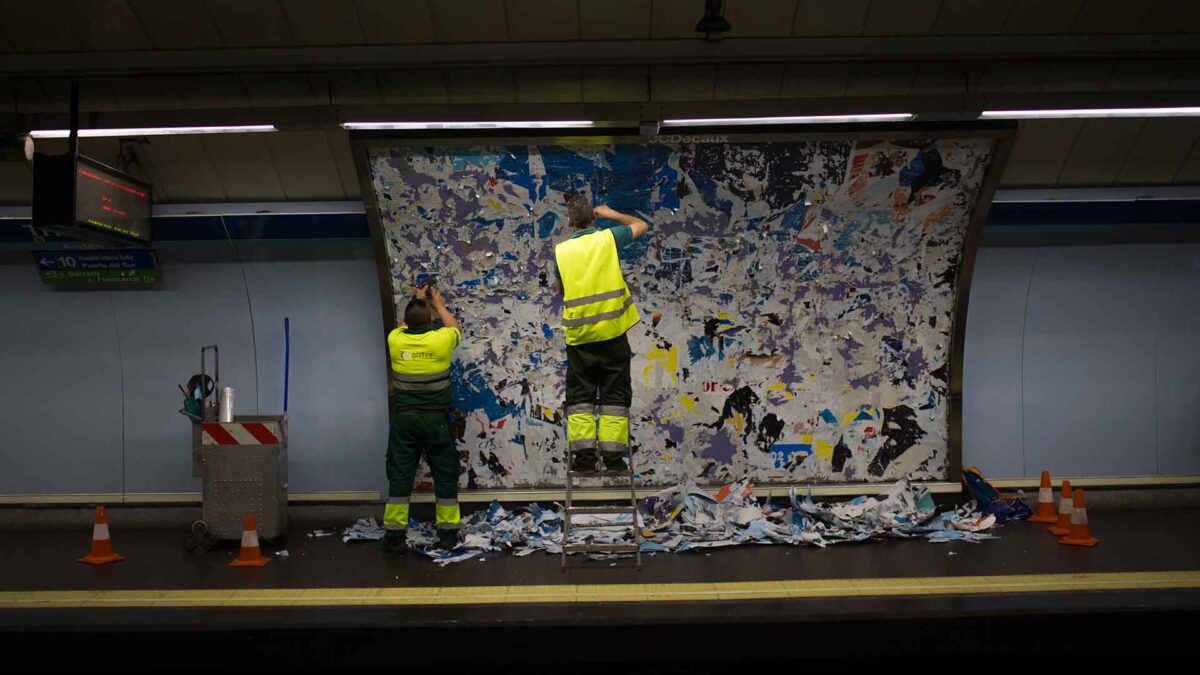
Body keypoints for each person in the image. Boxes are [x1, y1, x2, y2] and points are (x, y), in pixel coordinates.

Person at [553, 194, 650, 473]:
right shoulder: (609, 238)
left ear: (570, 221)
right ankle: (613, 460)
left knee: (580, 398)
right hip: (612, 336)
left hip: (580, 339)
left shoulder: (562, 252)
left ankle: (584, 461)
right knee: (614, 399)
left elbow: (561, 290)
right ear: (594, 217)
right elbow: (641, 225)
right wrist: (613, 213)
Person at [381, 283, 462, 553]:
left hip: (405, 420)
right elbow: (455, 328)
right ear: (430, 321)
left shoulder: (395, 339)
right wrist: (438, 304)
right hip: (435, 420)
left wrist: (417, 299)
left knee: (400, 475)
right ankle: (448, 534)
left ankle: (394, 536)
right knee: (444, 473)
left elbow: (407, 322)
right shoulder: (441, 340)